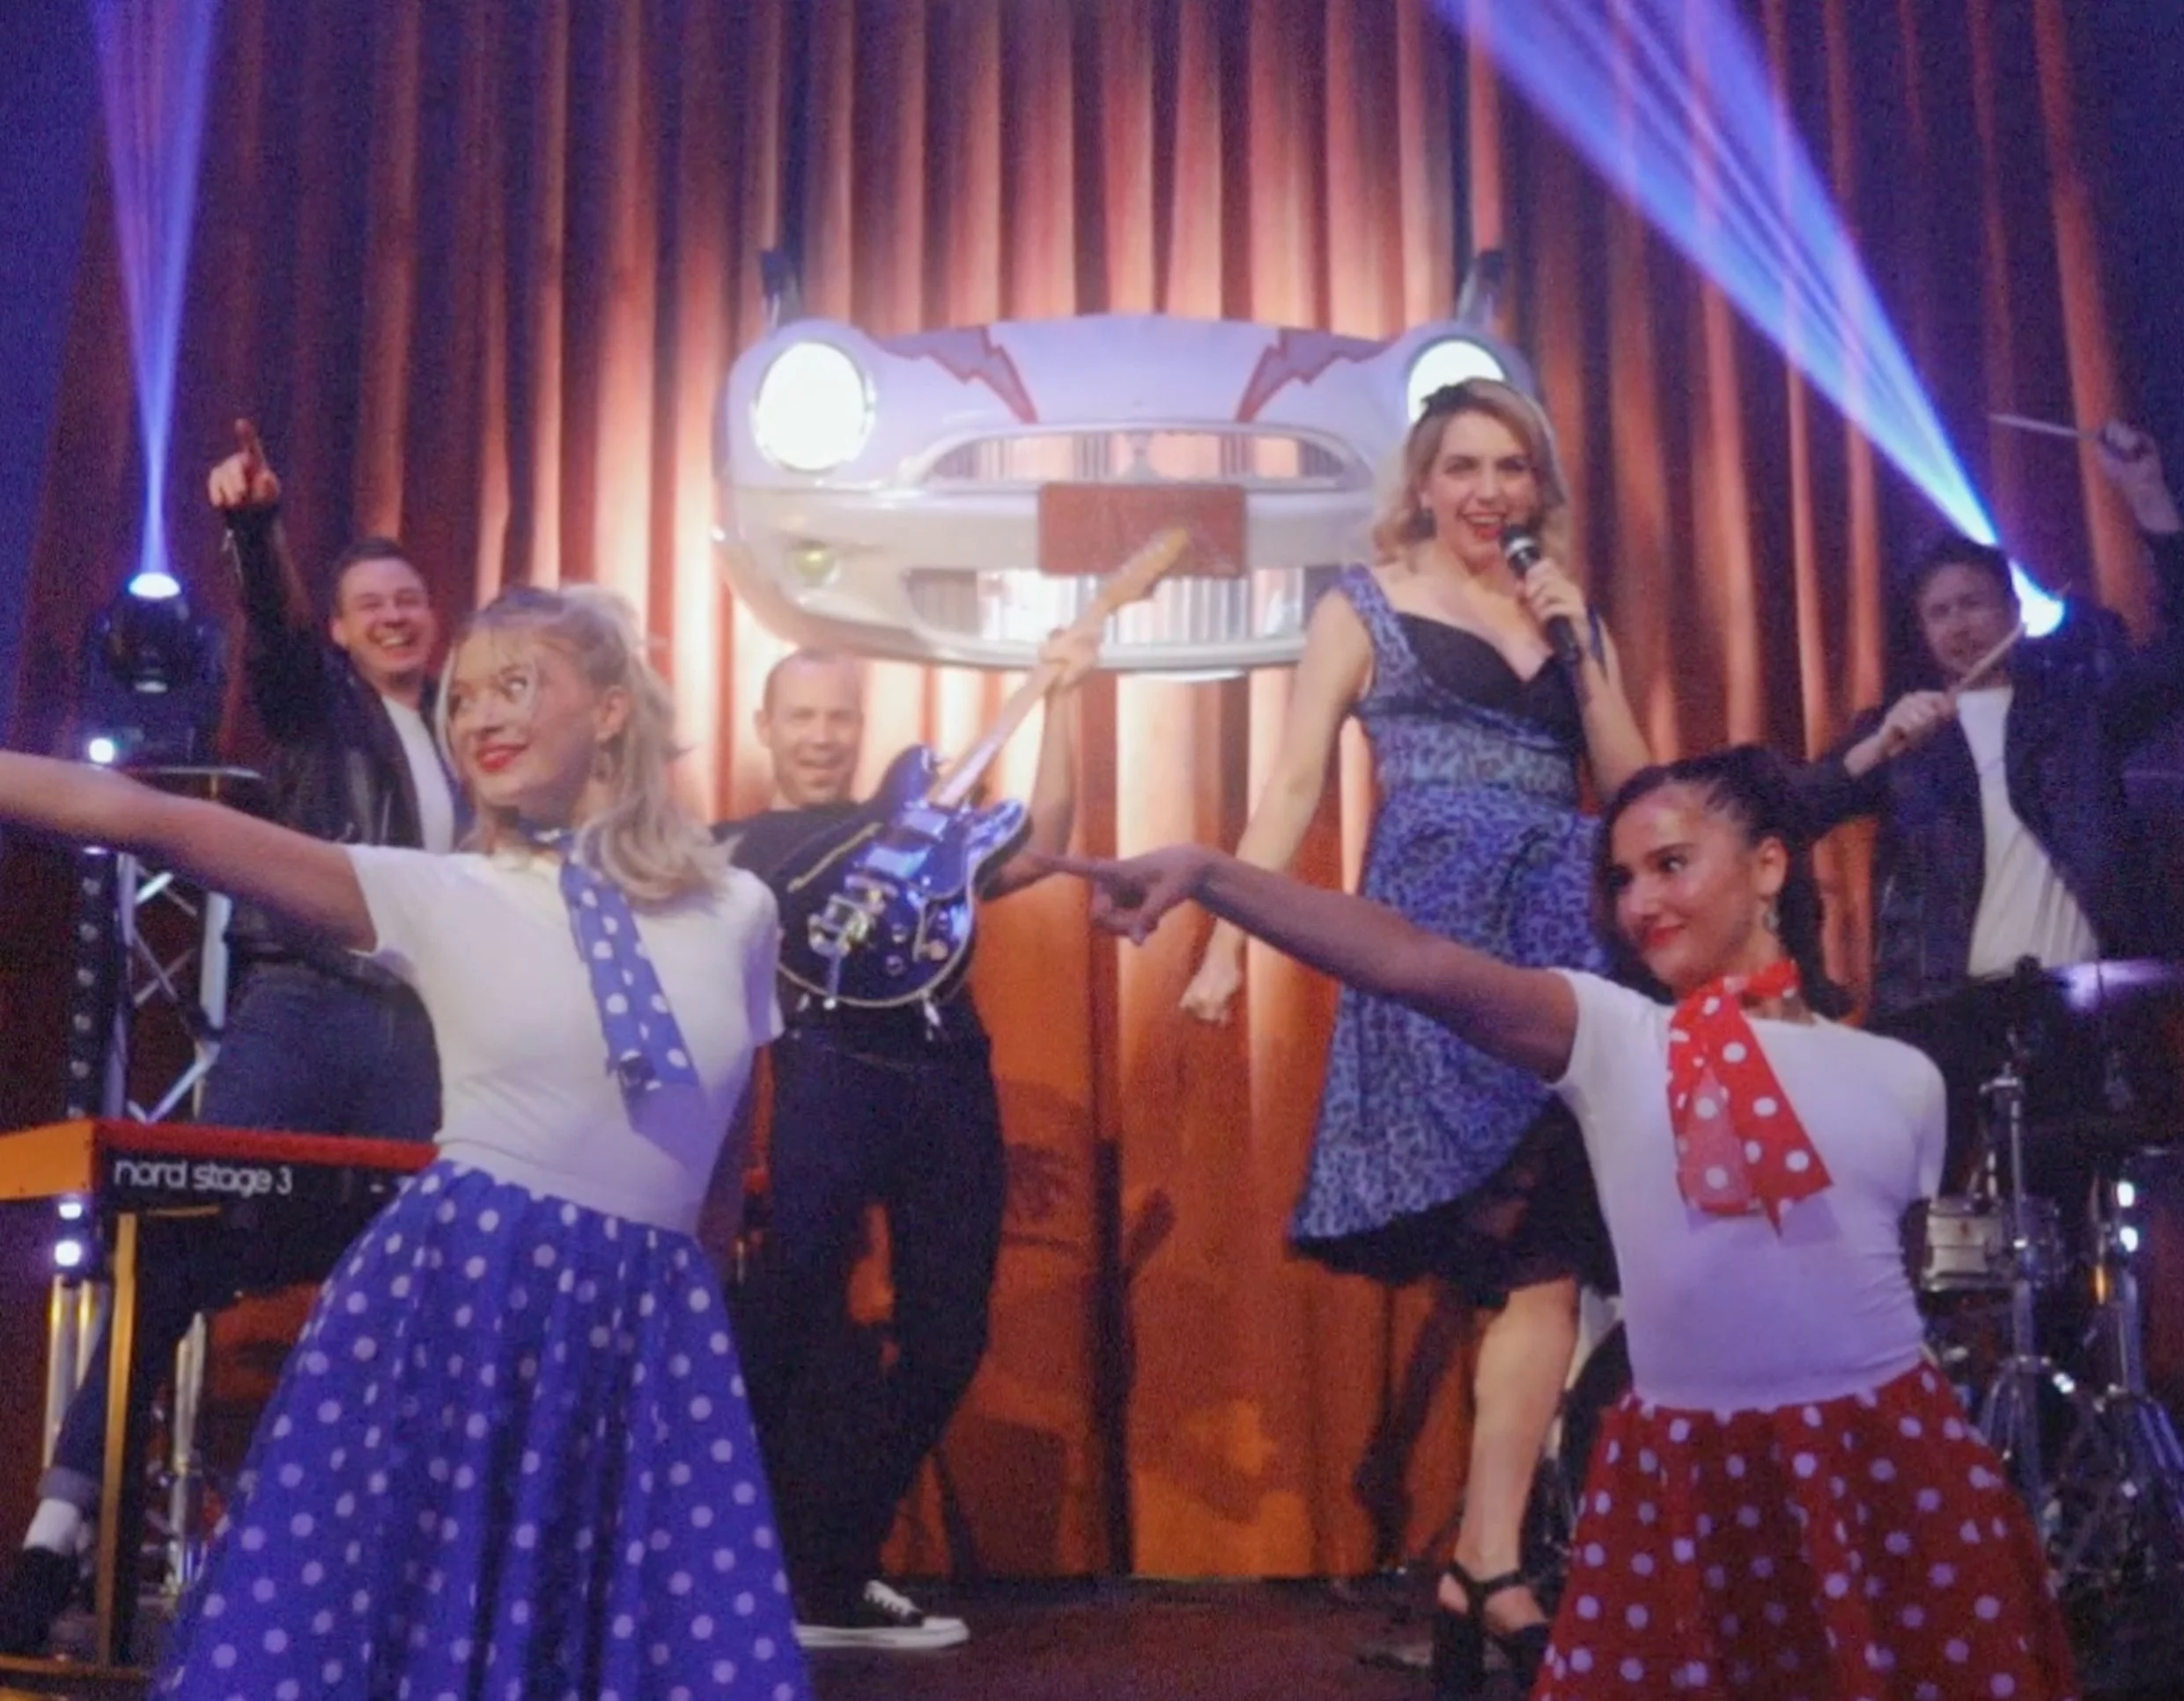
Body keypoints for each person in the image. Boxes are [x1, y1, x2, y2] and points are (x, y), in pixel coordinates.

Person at [1042, 743, 2078, 1701]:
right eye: (1620, 879)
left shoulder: (1900, 1076)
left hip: (1880, 1465)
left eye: (1669, 864)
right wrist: (1208, 874)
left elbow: (1883, 1285)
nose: (1639, 902)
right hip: (1686, 1477)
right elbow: (1409, 959)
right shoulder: (1618, 1035)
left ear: (1768, 866)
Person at [0, 583, 808, 1697]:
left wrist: (683, 1329)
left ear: (612, 707)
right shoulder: (439, 893)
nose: (479, 716)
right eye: (462, 699)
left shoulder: (741, 909)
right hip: (469, 1291)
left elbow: (720, 1148)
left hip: (648, 1324)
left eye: (514, 684)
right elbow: (147, 818)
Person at [1174, 378, 1649, 1692]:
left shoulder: (1568, 615)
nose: (1490, 491)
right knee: (1505, 1236)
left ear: (1538, 488)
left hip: (1562, 936)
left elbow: (1637, 786)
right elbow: (1291, 784)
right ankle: (1485, 1563)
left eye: (1512, 468)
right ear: (1425, 485)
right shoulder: (1362, 604)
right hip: (1435, 935)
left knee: (1548, 1250)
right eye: (1465, 467)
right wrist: (1223, 936)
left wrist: (1580, 648)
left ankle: (1482, 1560)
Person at [0, 421, 454, 1656]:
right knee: (176, 1248)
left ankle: (391, 1554)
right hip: (304, 1007)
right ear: (345, 630)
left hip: (421, 1031)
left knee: (424, 1264)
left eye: (410, 598)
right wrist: (255, 531)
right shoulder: (325, 712)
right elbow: (282, 638)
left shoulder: (471, 741)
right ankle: (55, 1534)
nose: (395, 614)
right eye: (372, 603)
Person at [718, 635, 1093, 1651]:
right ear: (764, 727)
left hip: (947, 1078)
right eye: (801, 715)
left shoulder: (919, 824)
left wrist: (1063, 701)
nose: (821, 735)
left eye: (838, 714)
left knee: (948, 1336)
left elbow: (1046, 837)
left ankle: (832, 1566)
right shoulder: (729, 847)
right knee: (784, 1319)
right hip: (826, 1074)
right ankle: (745, 1559)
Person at [1796, 420, 2184, 1017]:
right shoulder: (1902, 732)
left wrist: (2149, 496)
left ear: (2011, 608)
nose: (1958, 625)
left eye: (1972, 603)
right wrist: (1872, 750)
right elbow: (1797, 810)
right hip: (1949, 1012)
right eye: (1939, 613)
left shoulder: (2077, 708)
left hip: (2093, 997)